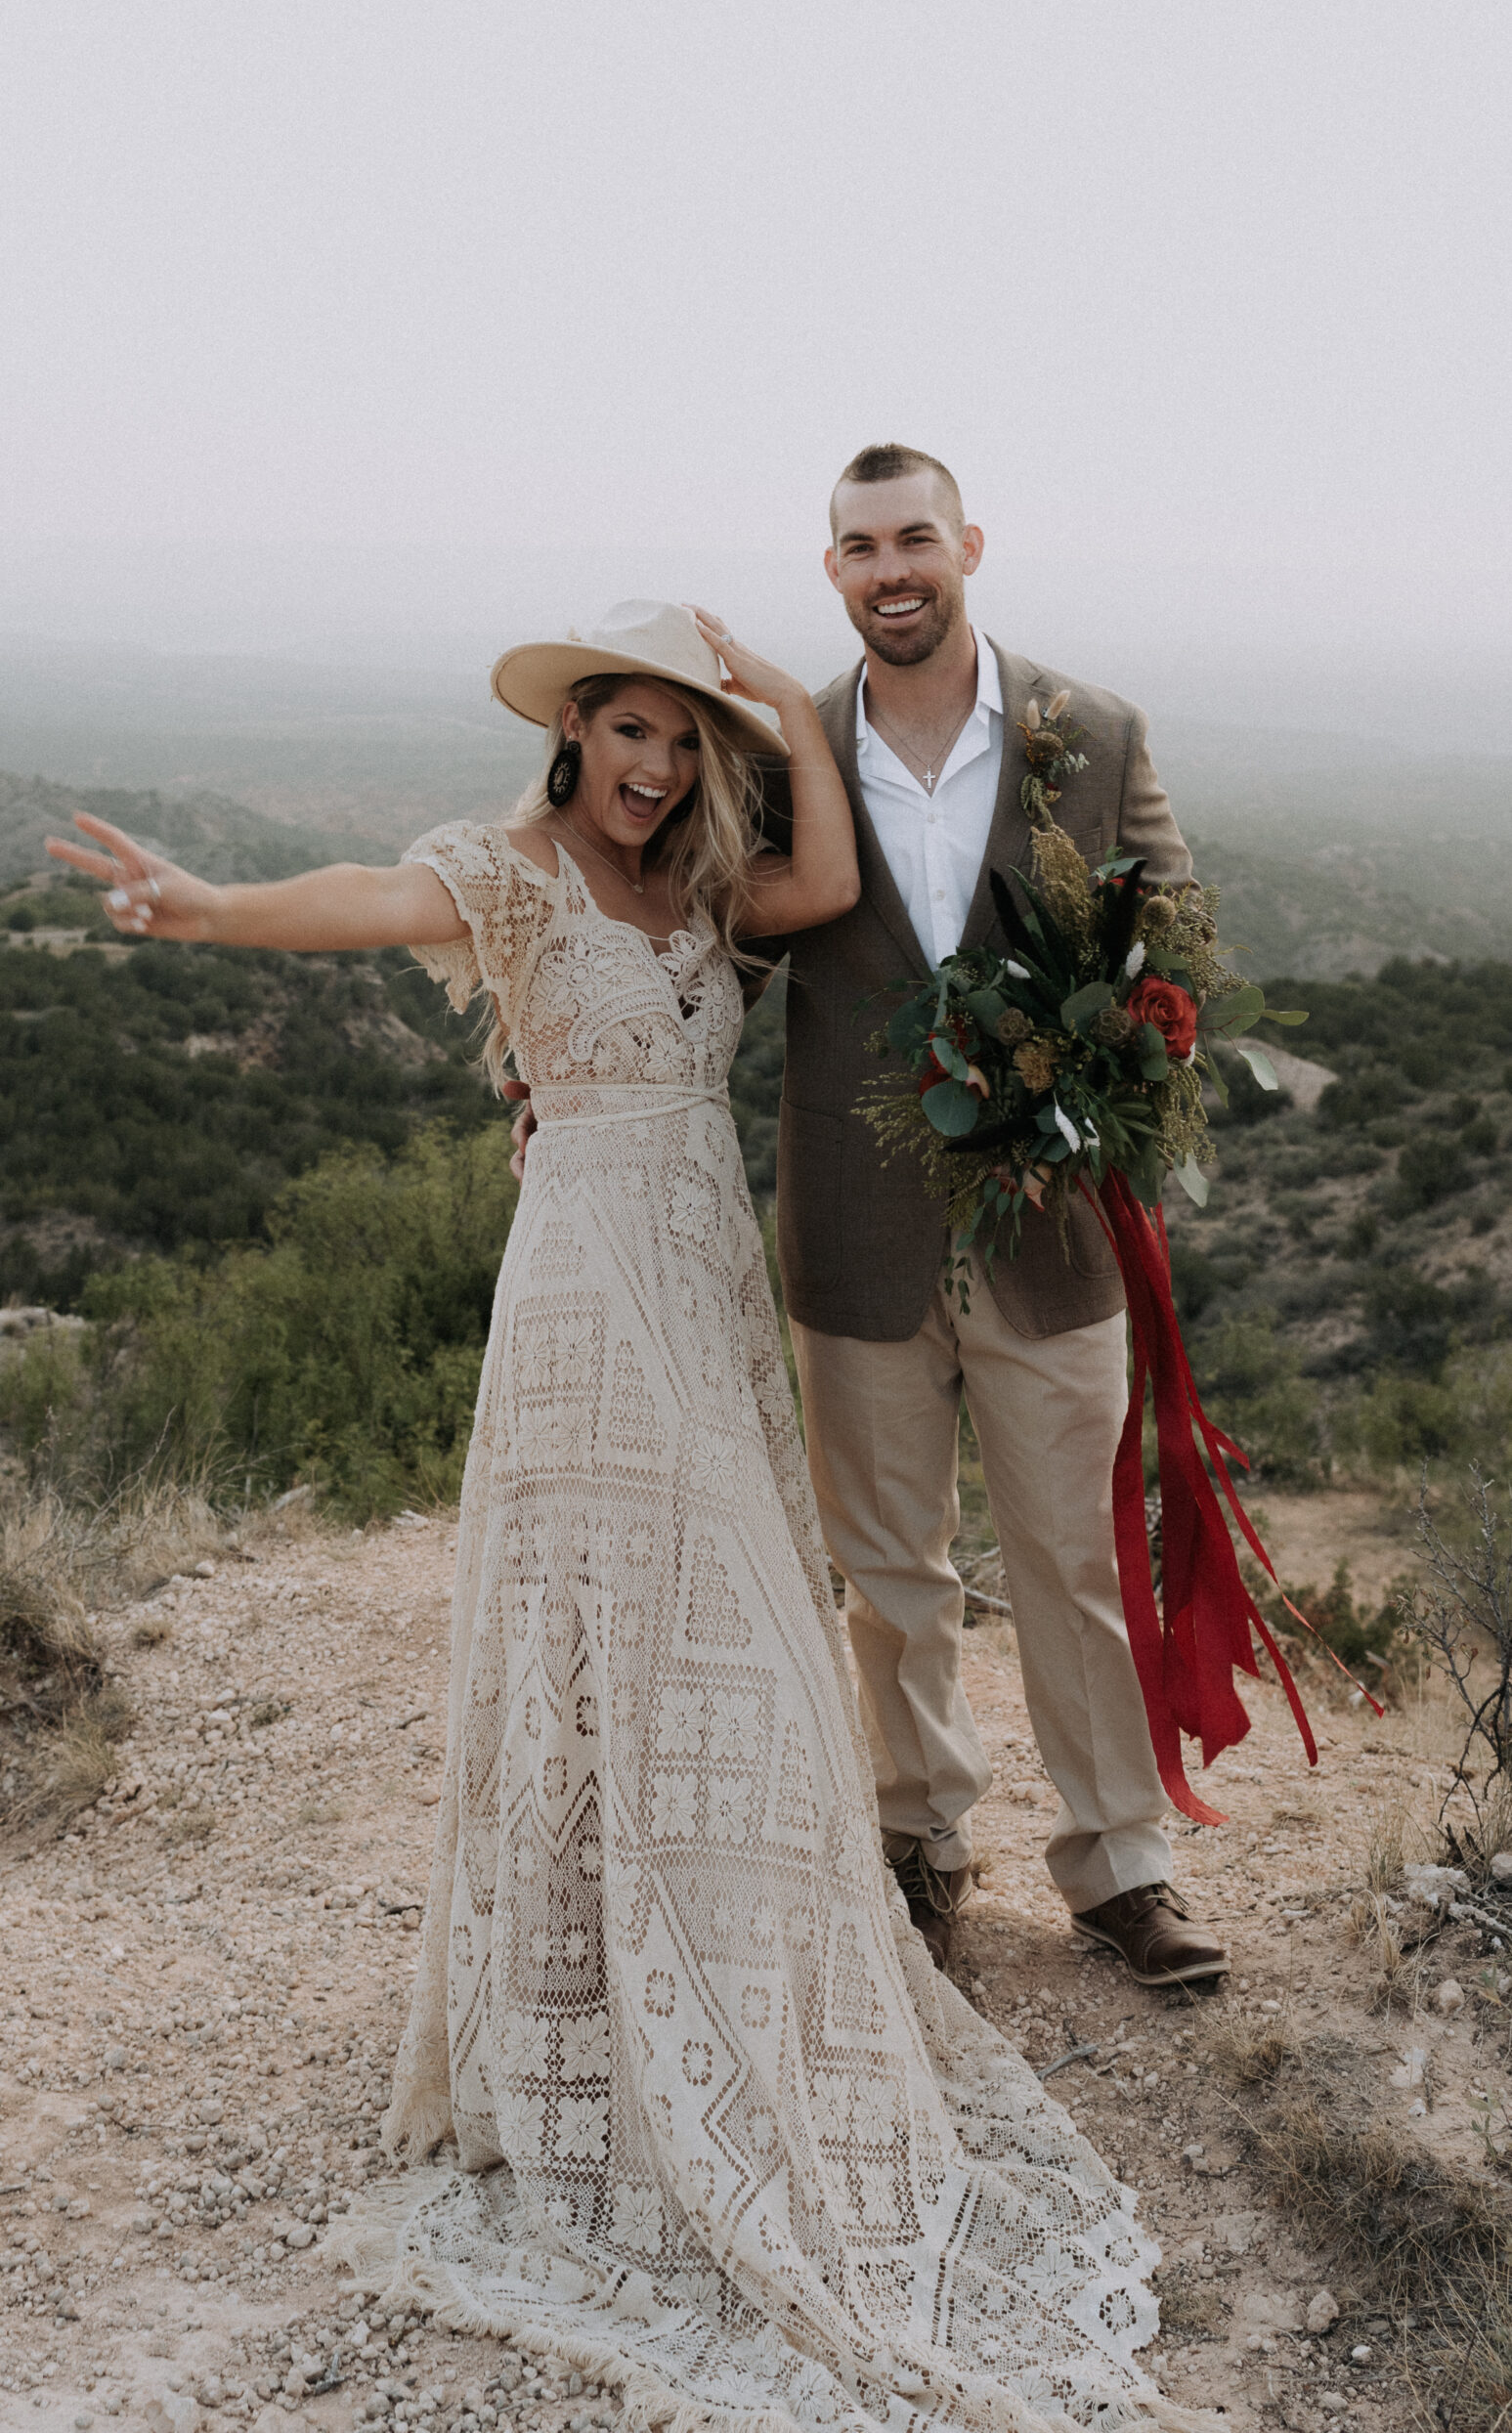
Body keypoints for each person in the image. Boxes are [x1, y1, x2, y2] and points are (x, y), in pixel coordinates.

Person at [51, 599, 1191, 2432]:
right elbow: (364, 894)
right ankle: (592, 2000)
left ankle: (733, 1949)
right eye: (629, 733)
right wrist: (207, 907)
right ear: (573, 735)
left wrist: (777, 719)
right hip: (585, 1294)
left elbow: (825, 875)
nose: (655, 769)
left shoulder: (717, 891)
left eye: (683, 741)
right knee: (625, 1612)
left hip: (707, 1288)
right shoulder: (509, 873)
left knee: (724, 1618)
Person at [760, 445, 1231, 1986]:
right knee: (891, 1568)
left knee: (1072, 1558)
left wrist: (1097, 1070)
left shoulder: (1091, 732)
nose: (891, 570)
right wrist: (572, 1072)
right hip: (855, 1219)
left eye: (915, 538)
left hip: (1055, 1229)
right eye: (858, 547)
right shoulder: (780, 756)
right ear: (829, 569)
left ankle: (1119, 1868)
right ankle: (919, 1843)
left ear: (969, 544)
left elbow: (1174, 942)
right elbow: (723, 964)